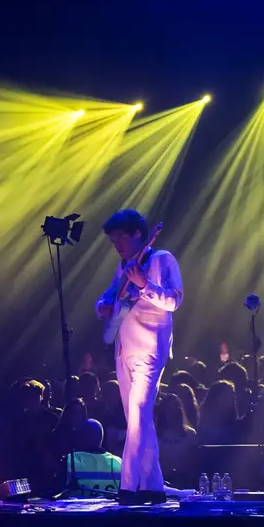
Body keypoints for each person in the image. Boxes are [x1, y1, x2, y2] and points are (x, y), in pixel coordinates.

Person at [94, 208, 183, 505]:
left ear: (137, 234)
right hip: (124, 350)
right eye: (112, 240)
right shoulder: (124, 267)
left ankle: (128, 487)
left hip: (150, 348)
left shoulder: (162, 260)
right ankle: (153, 487)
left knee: (139, 414)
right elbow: (108, 296)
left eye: (120, 237)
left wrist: (146, 286)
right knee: (139, 418)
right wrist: (103, 306)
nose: (116, 244)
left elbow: (174, 300)